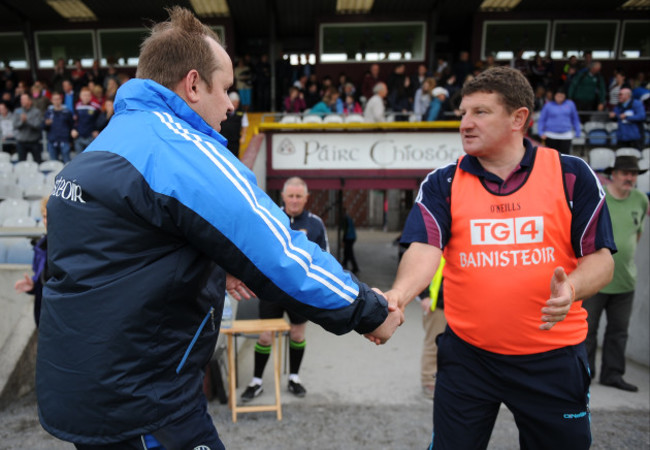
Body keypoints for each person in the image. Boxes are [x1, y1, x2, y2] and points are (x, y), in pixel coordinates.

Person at [36, 7, 402, 450]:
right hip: (146, 402)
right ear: (193, 84)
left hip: (82, 389)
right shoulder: (181, 148)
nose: (231, 105)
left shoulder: (105, 145)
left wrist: (210, 259)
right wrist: (369, 310)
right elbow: (281, 254)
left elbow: (129, 249)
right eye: (226, 88)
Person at [380, 66, 615, 449]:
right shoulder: (444, 182)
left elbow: (601, 259)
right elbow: (425, 248)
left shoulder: (571, 174)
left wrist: (572, 287)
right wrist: (399, 296)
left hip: (552, 359)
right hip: (469, 358)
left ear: (518, 118)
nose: (465, 124)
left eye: (480, 112)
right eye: (462, 114)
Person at [242, 176, 330, 401]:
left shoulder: (315, 223)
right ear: (282, 196)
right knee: (265, 336)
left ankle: (294, 378)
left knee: (298, 334)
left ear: (306, 198)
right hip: (271, 290)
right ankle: (257, 381)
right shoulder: (270, 217)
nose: (294, 200)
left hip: (300, 292)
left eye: (299, 196)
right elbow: (257, 250)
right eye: (290, 196)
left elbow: (324, 258)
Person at [585, 156, 648, 393]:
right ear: (614, 174)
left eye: (633, 174)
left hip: (625, 280)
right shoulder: (599, 197)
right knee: (587, 330)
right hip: (596, 278)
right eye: (625, 173)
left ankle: (613, 374)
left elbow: (637, 234)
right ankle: (585, 375)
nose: (629, 178)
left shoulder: (641, 200)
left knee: (619, 331)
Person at [14, 196, 49, 327]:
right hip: (42, 319)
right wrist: (34, 285)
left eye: (51, 216)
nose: (47, 221)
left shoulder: (70, 247)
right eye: (44, 216)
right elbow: (42, 277)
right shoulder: (41, 246)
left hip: (63, 322)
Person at [419, 257, 446, 399]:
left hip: (459, 303)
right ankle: (429, 381)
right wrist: (424, 296)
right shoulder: (435, 242)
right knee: (434, 344)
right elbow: (419, 268)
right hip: (438, 303)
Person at [538, 88, 582, 155]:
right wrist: (540, 132)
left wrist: (578, 131)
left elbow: (575, 119)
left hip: (566, 135)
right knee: (550, 156)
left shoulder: (570, 104)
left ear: (565, 96)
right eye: (558, 96)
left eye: (562, 96)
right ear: (554, 96)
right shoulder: (548, 105)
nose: (560, 98)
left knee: (565, 157)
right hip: (550, 135)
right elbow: (542, 120)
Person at [43, 91, 74, 163]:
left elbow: (71, 126)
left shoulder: (67, 112)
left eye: (58, 99)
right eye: (55, 99)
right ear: (52, 101)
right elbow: (44, 127)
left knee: (67, 164)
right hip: (52, 141)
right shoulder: (48, 112)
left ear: (61, 100)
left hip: (64, 141)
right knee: (53, 164)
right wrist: (46, 124)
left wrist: (70, 141)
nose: (57, 101)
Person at [12, 93, 43, 163]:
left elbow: (37, 126)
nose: (21, 101)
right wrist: (22, 122)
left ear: (30, 101)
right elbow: (15, 125)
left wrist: (27, 121)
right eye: (21, 99)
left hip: (34, 142)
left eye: (23, 99)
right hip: (21, 142)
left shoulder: (36, 112)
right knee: (21, 164)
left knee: (38, 162)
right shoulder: (17, 111)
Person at [71, 86, 101, 154]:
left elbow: (99, 120)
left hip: (91, 137)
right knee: (79, 159)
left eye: (88, 95)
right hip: (79, 137)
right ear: (80, 96)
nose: (86, 97)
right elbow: (75, 120)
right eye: (84, 95)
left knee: (91, 158)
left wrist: (97, 130)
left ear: (91, 96)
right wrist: (74, 129)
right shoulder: (77, 106)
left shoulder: (95, 106)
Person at [219, 91, 248, 158]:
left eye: (237, 103)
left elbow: (245, 125)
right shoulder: (223, 110)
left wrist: (243, 136)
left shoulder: (241, 112)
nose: (236, 105)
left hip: (235, 140)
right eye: (234, 103)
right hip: (223, 138)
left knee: (234, 156)